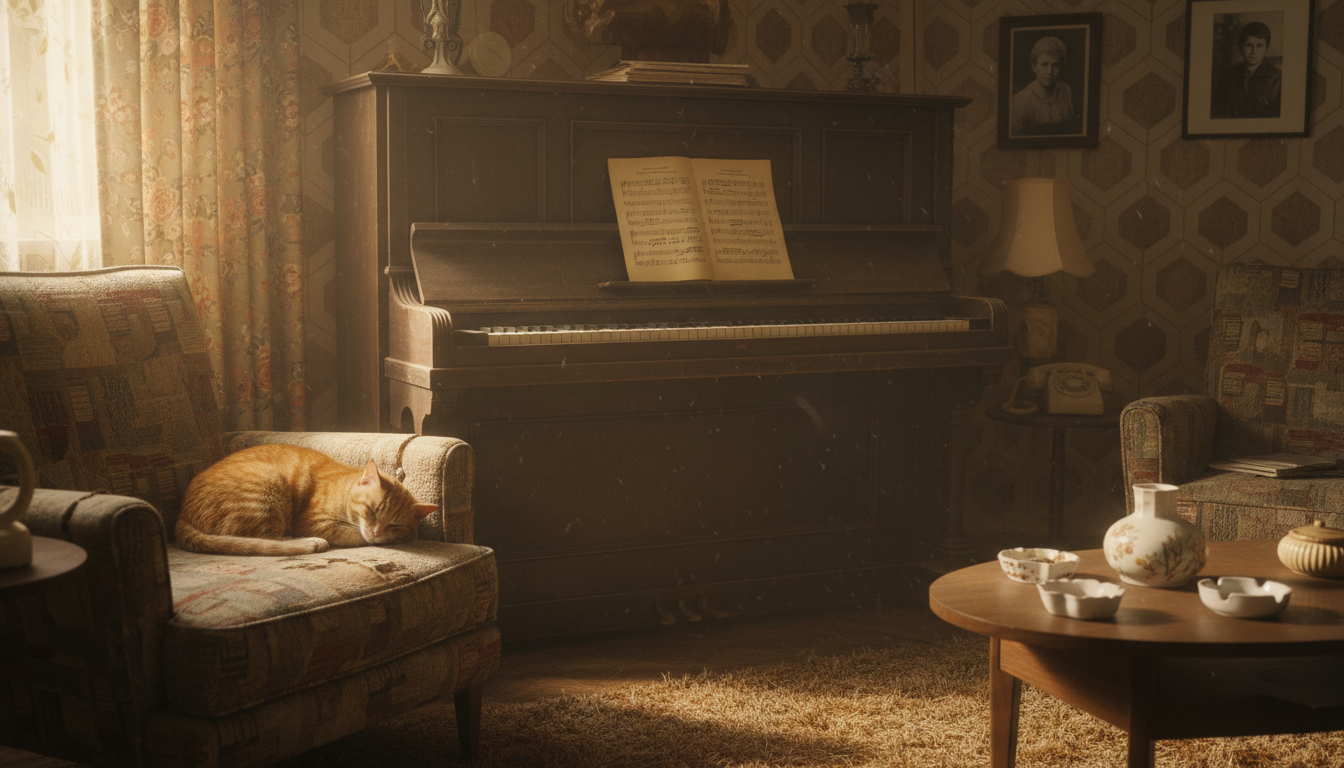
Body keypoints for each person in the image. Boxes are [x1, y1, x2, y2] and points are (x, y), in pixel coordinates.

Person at [1211, 21, 1281, 118]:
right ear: (1241, 48)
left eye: (1259, 45)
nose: (1254, 52)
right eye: (1248, 45)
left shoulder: (1277, 78)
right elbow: (1217, 112)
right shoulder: (1227, 74)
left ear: (1266, 48)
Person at [1010, 36, 1076, 136]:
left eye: (1055, 65)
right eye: (1044, 64)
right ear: (1034, 66)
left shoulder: (1066, 90)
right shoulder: (1020, 101)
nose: (1050, 72)